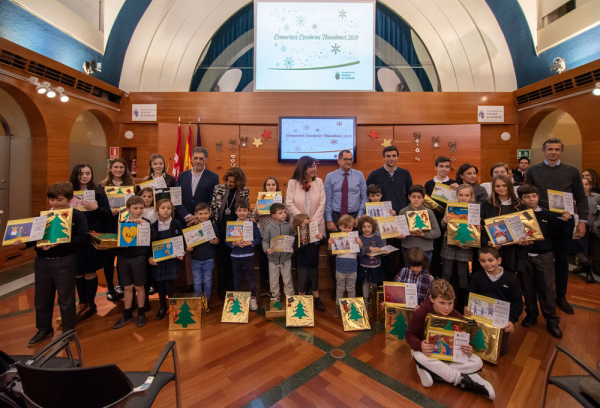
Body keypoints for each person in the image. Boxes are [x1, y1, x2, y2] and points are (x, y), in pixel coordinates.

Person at [14, 182, 88, 347]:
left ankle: (68, 331)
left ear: (69, 199)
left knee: (66, 299)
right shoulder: (43, 215)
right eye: (52, 200)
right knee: (42, 299)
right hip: (42, 262)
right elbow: (33, 237)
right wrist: (23, 244)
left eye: (59, 200)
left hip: (65, 261)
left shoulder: (77, 216)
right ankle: (43, 329)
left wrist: (59, 244)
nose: (54, 203)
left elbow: (82, 238)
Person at [526, 138, 588, 314]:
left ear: (562, 151)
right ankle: (538, 300)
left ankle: (561, 296)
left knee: (561, 261)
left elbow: (581, 198)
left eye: (557, 149)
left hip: (564, 222)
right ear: (544, 151)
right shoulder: (533, 171)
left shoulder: (572, 171)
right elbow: (527, 195)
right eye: (550, 149)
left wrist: (582, 221)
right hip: (540, 223)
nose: (553, 152)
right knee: (538, 261)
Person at [405, 279, 495, 399]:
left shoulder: (456, 315)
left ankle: (433, 372)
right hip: (426, 351)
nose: (447, 308)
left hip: (448, 354)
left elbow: (464, 339)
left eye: (450, 303)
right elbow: (409, 335)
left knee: (478, 362)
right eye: (442, 303)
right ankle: (461, 380)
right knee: (416, 354)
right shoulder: (421, 313)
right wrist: (420, 345)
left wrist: (468, 350)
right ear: (431, 298)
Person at [517, 184, 566, 338]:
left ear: (538, 197)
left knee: (547, 289)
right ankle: (531, 314)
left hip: (544, 255)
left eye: (533, 196)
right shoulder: (518, 214)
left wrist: (565, 221)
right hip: (525, 256)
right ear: (521, 199)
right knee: (527, 288)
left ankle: (551, 320)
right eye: (526, 197)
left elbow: (557, 235)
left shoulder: (547, 214)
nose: (530, 199)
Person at [69, 164, 111, 320]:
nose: (85, 176)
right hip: (74, 238)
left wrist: (96, 208)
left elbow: (107, 214)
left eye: (88, 173)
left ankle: (91, 304)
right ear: (76, 175)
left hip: (91, 237)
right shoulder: (69, 193)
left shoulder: (99, 192)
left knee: (90, 270)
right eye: (81, 173)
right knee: (77, 272)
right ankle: (82, 302)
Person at [366, 146, 412, 282]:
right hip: (380, 221)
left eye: (393, 156)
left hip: (399, 219)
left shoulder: (405, 173)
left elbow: (410, 194)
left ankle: (396, 282)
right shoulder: (375, 174)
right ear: (383, 157)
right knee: (382, 251)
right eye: (388, 156)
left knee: (396, 253)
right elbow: (368, 194)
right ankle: (382, 282)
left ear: (397, 157)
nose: (391, 159)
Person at [176, 147, 220, 291]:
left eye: (201, 158)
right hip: (185, 220)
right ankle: (191, 283)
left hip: (203, 221)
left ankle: (205, 286)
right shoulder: (182, 176)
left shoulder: (213, 177)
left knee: (202, 251)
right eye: (196, 158)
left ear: (206, 160)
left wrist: (198, 217)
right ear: (192, 159)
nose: (198, 161)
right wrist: (188, 216)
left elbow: (211, 200)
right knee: (189, 252)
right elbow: (177, 199)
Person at [324, 150, 367, 297]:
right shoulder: (330, 177)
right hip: (336, 216)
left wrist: (359, 216)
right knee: (335, 252)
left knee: (354, 251)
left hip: (354, 216)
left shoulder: (359, 175)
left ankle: (354, 289)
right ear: (339, 160)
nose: (349, 162)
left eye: (351, 159)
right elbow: (327, 199)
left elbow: (364, 197)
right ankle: (337, 290)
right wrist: (329, 219)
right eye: (346, 159)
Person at [467, 247, 523, 356]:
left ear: (499, 260)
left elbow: (517, 304)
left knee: (499, 351)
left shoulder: (511, 278)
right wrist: (466, 306)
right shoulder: (477, 277)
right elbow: (470, 296)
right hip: (480, 317)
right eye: (483, 261)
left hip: (501, 320)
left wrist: (511, 321)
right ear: (479, 261)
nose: (487, 264)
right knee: (472, 346)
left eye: (490, 260)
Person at [98, 158, 135, 302]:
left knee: (122, 257)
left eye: (121, 167)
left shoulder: (131, 186)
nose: (118, 170)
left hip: (125, 225)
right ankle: (109, 287)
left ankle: (120, 284)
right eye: (116, 167)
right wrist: (109, 212)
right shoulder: (102, 186)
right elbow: (99, 208)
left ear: (125, 169)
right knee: (109, 258)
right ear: (110, 169)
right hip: (109, 224)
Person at [113, 195, 153, 329]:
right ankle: (127, 314)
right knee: (127, 287)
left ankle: (141, 313)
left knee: (139, 286)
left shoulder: (146, 222)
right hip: (123, 258)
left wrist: (146, 227)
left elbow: (153, 238)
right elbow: (115, 240)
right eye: (135, 208)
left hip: (139, 258)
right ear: (128, 208)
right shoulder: (121, 223)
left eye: (141, 208)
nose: (138, 211)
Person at [211, 167, 250, 299]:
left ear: (239, 181)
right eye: (227, 181)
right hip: (221, 228)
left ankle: (234, 290)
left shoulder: (244, 191)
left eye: (232, 182)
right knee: (222, 262)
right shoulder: (219, 188)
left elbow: (244, 209)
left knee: (234, 261)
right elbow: (214, 207)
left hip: (236, 229)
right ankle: (222, 292)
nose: (229, 184)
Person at [480, 175, 529, 274]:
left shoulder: (521, 205)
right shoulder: (486, 204)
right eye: (497, 186)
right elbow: (481, 227)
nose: (501, 188)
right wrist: (487, 242)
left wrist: (525, 239)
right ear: (493, 187)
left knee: (510, 279)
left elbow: (527, 228)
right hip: (493, 250)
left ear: (510, 186)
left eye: (504, 185)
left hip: (514, 251)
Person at [440, 184, 475, 311]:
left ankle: (460, 305)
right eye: (461, 195)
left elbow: (476, 230)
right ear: (456, 195)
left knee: (462, 275)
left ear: (471, 196)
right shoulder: (451, 207)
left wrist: (468, 242)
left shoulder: (474, 209)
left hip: (465, 246)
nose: (463, 197)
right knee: (447, 272)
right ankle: (442, 300)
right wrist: (445, 220)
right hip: (449, 243)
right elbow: (443, 226)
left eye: (467, 195)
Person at [148, 199, 183, 320]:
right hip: (159, 261)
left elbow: (180, 239)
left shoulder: (176, 223)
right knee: (160, 285)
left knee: (170, 284)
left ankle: (173, 308)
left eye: (168, 208)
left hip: (172, 260)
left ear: (172, 210)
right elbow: (149, 244)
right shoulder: (152, 226)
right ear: (157, 210)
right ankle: (162, 306)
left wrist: (180, 251)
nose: (166, 210)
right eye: (163, 208)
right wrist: (149, 257)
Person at [424, 156, 457, 277]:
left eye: (447, 166)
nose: (444, 169)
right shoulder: (429, 184)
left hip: (450, 221)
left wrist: (458, 189)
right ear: (436, 167)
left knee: (447, 250)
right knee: (435, 248)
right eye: (441, 166)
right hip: (434, 221)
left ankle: (447, 276)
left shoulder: (453, 184)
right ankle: (434, 275)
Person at [226, 199, 261, 311]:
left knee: (251, 278)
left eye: (244, 210)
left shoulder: (252, 224)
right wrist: (234, 243)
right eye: (239, 210)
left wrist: (250, 243)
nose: (242, 213)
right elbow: (226, 240)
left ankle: (253, 299)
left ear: (248, 211)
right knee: (236, 278)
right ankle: (237, 300)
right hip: (235, 256)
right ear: (235, 211)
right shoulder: (231, 225)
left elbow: (258, 238)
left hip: (248, 255)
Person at [329, 214, 363, 318]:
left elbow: (361, 254)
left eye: (349, 227)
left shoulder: (355, 238)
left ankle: (351, 308)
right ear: (339, 226)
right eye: (344, 227)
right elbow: (331, 253)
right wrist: (329, 244)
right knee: (339, 289)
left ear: (352, 227)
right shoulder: (336, 238)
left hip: (352, 269)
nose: (347, 230)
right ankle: (338, 307)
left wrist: (360, 244)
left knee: (351, 289)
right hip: (340, 269)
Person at [253, 177, 282, 297]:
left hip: (277, 236)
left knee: (277, 262)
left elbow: (287, 215)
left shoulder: (280, 201)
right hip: (264, 236)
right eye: (268, 184)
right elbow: (254, 216)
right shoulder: (260, 200)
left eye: (273, 184)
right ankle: (265, 287)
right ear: (265, 187)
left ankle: (275, 288)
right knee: (264, 262)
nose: (271, 186)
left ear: (276, 186)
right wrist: (257, 213)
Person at [188, 202, 219, 312]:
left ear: (210, 213)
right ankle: (198, 303)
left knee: (208, 281)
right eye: (200, 214)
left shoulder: (213, 225)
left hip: (209, 258)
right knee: (197, 282)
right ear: (195, 214)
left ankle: (206, 303)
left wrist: (215, 241)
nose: (203, 216)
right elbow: (187, 242)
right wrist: (188, 248)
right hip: (195, 258)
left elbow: (217, 241)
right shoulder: (192, 226)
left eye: (206, 213)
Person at [398, 185, 441, 262]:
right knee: (410, 273)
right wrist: (400, 235)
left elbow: (437, 233)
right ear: (409, 197)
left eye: (419, 197)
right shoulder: (403, 212)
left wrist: (423, 235)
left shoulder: (429, 212)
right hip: (409, 248)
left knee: (424, 273)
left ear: (423, 198)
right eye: (413, 197)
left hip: (425, 250)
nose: (416, 199)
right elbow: (399, 231)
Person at [285, 156, 327, 236]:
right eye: (311, 167)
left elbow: (322, 203)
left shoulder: (319, 181)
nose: (314, 169)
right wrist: (302, 220)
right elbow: (289, 203)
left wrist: (313, 221)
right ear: (303, 168)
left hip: (317, 224)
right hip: (299, 224)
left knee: (316, 247)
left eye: (315, 166)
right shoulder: (292, 182)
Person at [262, 203, 295, 302]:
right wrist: (267, 249)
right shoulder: (269, 228)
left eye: (284, 212)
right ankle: (275, 296)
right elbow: (265, 241)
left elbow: (293, 237)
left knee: (287, 279)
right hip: (273, 260)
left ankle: (290, 296)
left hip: (286, 259)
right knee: (274, 280)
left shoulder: (289, 226)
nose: (284, 214)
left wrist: (293, 245)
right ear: (273, 216)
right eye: (280, 213)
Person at [292, 213, 325, 312]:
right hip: (302, 265)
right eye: (306, 225)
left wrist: (321, 238)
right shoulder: (297, 236)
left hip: (314, 264)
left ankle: (317, 299)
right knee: (302, 285)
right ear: (299, 227)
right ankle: (301, 302)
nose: (308, 227)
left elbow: (323, 242)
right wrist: (303, 242)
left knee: (315, 283)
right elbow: (295, 249)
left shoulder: (315, 236)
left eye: (309, 224)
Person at [572, 177, 600, 282]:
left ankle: (592, 267)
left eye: (586, 184)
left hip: (594, 228)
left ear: (590, 186)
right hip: (579, 227)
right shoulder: (573, 198)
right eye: (581, 184)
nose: (583, 187)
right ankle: (587, 271)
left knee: (593, 250)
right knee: (581, 249)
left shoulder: (596, 197)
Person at [357, 216, 387, 309]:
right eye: (364, 227)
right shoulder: (359, 238)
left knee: (374, 285)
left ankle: (373, 301)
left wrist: (384, 252)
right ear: (361, 228)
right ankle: (365, 302)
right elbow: (359, 254)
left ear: (373, 227)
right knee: (365, 284)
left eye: (368, 227)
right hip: (364, 266)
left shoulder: (378, 238)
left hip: (376, 266)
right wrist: (367, 249)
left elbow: (382, 253)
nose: (366, 229)